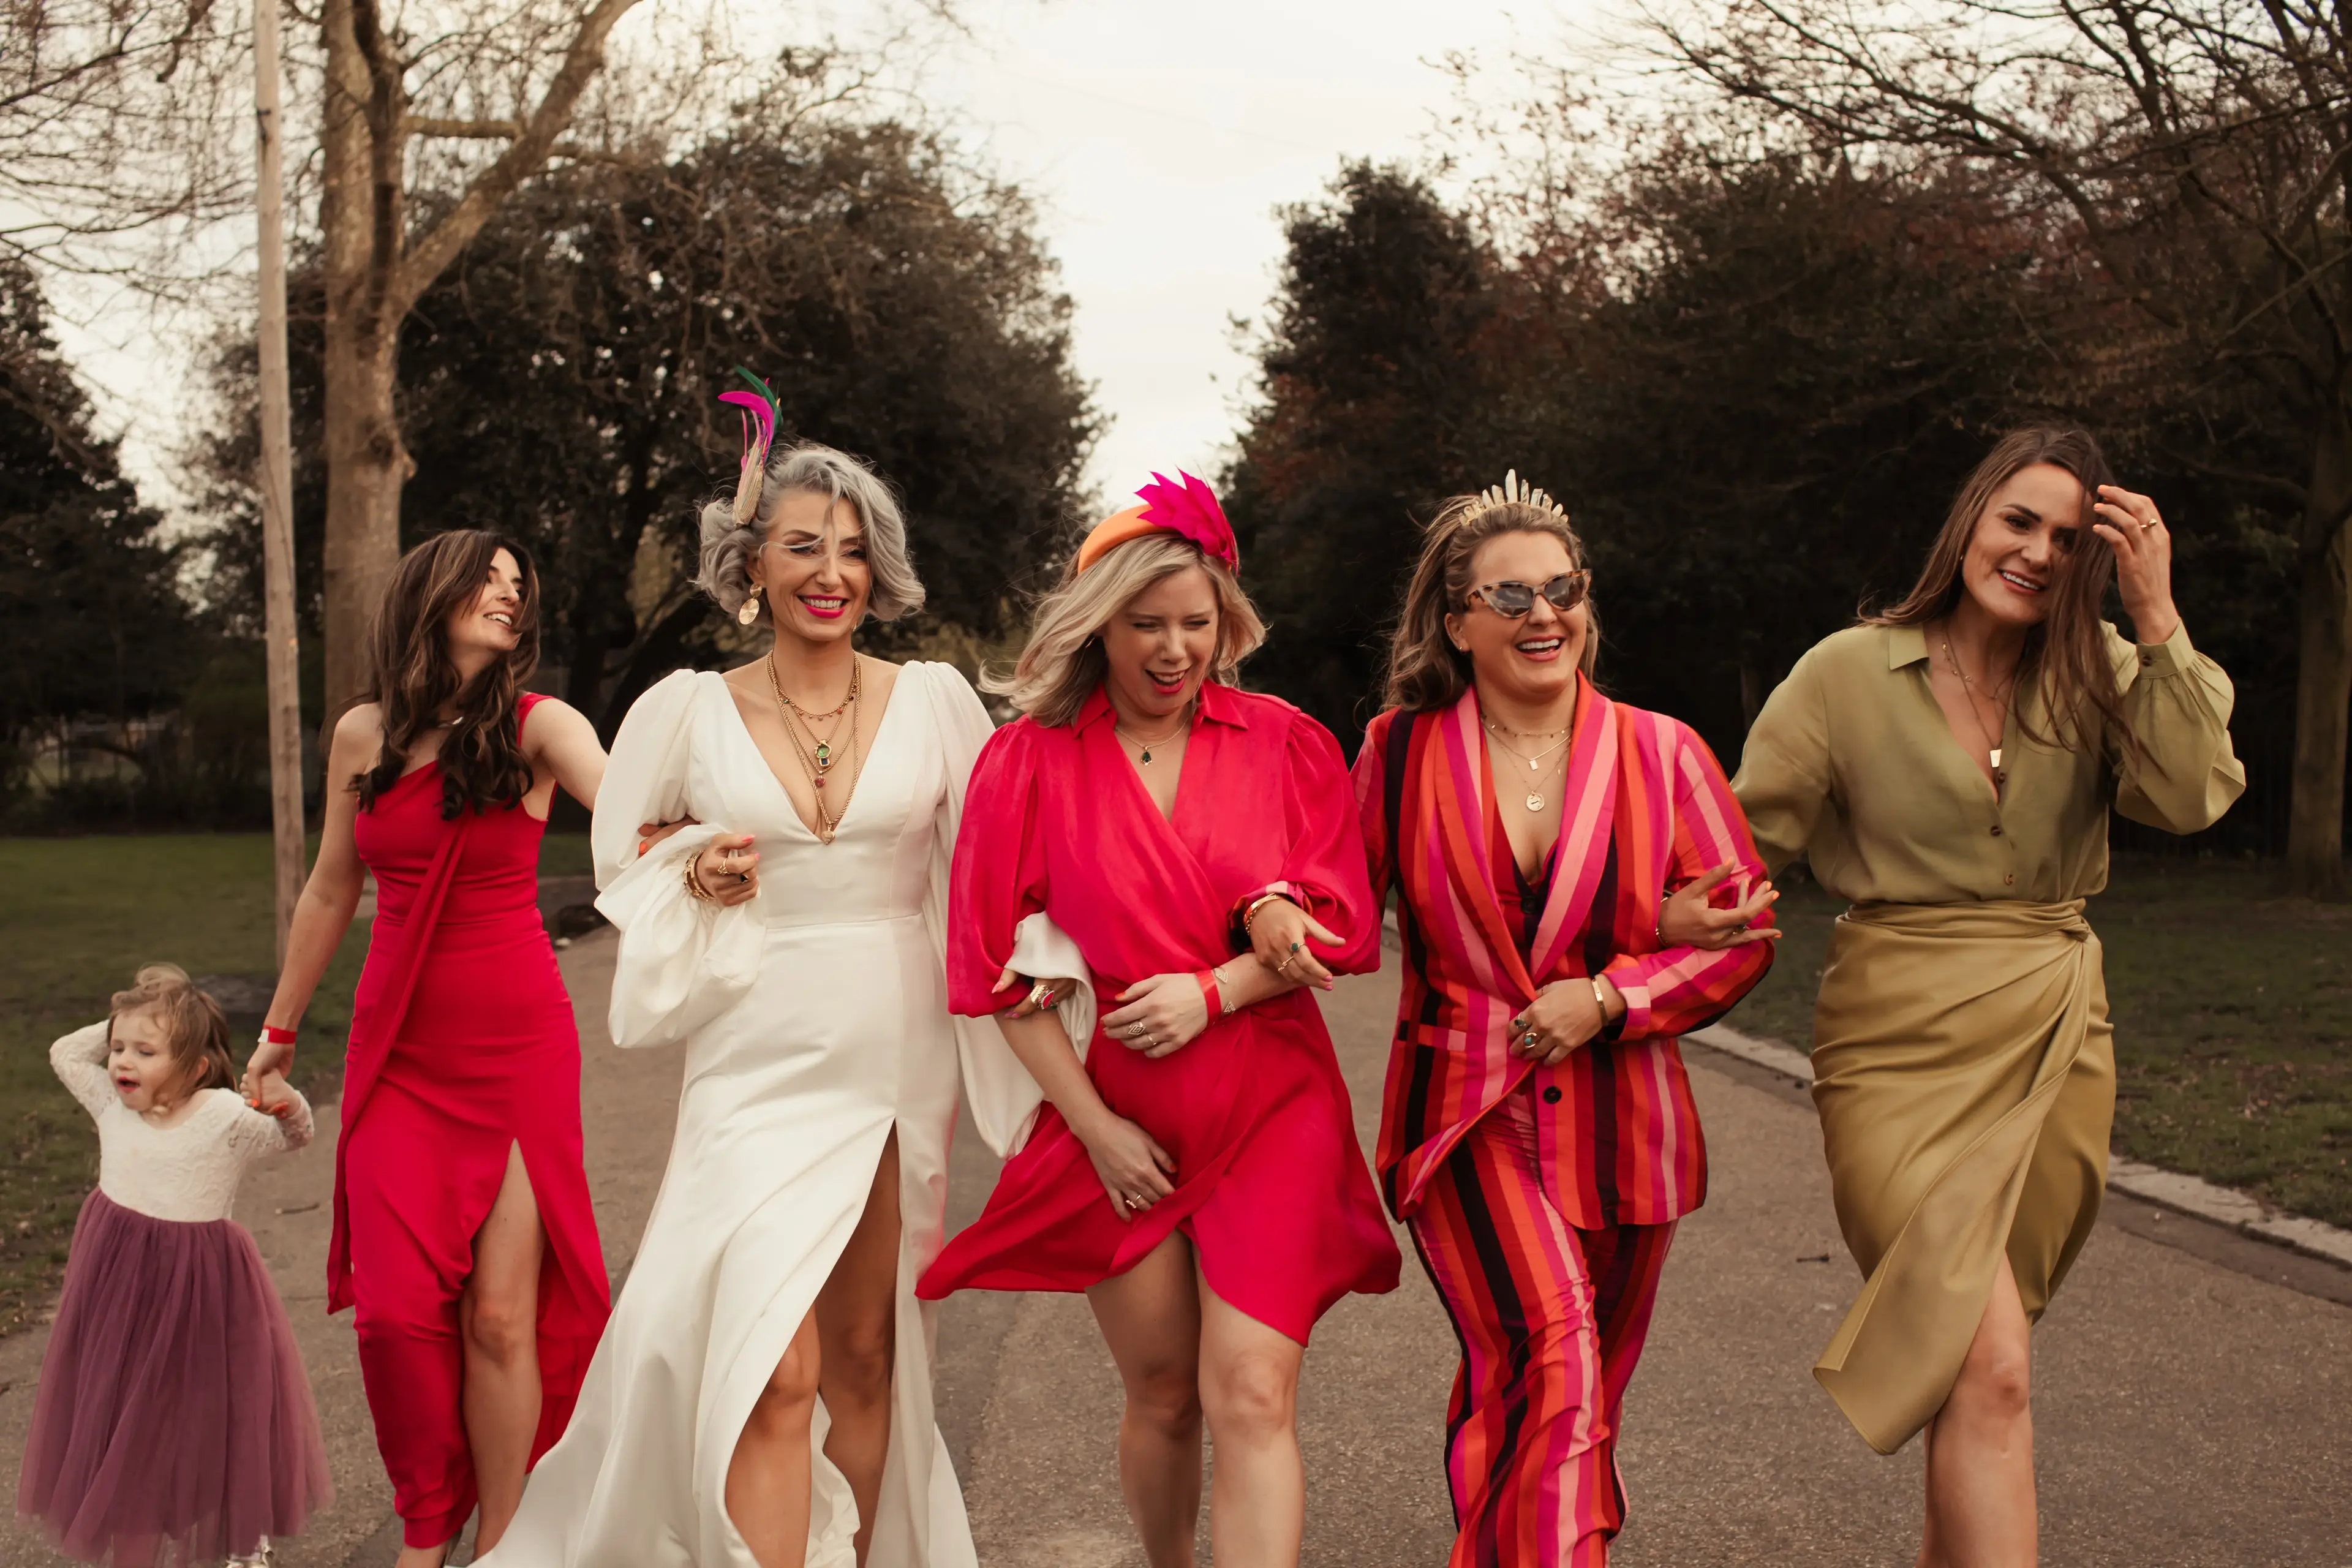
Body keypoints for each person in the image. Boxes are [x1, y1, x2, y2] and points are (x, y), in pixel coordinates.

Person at [476, 420, 1046, 1568]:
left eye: (849, 549)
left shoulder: (936, 701)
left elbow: (1004, 862)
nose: (828, 573)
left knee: (870, 1351)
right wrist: (694, 866)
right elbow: (624, 866)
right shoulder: (685, 710)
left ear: (877, 569)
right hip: (753, 1052)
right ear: (749, 570)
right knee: (771, 1370)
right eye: (800, 547)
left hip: (894, 1046)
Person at [1726, 427, 2243, 1565]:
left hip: (2054, 1036)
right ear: (1971, 518)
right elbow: (1737, 845)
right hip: (1893, 1044)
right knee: (1989, 1362)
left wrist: (2156, 616)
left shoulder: (2109, 669)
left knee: (1976, 1376)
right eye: (2020, 521)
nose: (2038, 554)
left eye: (2071, 540)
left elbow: (2195, 794)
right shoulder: (1846, 671)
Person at [918, 472, 1402, 1568]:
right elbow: (995, 972)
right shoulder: (1028, 761)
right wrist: (1095, 1129)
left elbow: (1342, 924)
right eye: (1147, 625)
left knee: (1250, 1390)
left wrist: (1218, 987)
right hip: (1117, 1121)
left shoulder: (1284, 742)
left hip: (1270, 1100)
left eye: (1198, 623)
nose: (1175, 649)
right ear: (1100, 627)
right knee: (1166, 1396)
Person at [1350, 473, 1777, 1568]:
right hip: (1464, 1114)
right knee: (1558, 1353)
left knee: (1550, 1382)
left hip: (1624, 1129)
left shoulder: (1666, 752)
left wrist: (1614, 996)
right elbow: (1336, 908)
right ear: (1458, 625)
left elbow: (1743, 933)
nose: (1545, 614)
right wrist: (1262, 912)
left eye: (1564, 588)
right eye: (1511, 597)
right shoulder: (1399, 753)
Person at [246, 530, 614, 1567]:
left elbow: (627, 804)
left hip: (513, 1050)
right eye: (487, 582)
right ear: (429, 591)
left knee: (502, 1317)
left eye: (518, 590)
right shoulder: (363, 735)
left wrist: (701, 832)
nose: (509, 599)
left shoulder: (542, 727)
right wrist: (278, 1034)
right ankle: (427, 1517)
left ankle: (502, 1536)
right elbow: (331, 887)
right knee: (395, 1316)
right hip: (397, 1047)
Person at [20, 965, 331, 1567]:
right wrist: (139, 1012)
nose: (121, 1062)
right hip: (116, 1281)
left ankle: (242, 1536)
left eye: (145, 1050)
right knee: (125, 1407)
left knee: (206, 1410)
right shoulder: (110, 1100)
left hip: (198, 1289)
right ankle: (135, 1519)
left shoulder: (222, 1116)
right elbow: (64, 1051)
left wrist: (287, 1102)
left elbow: (295, 1136)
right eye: (116, 1048)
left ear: (194, 1065)